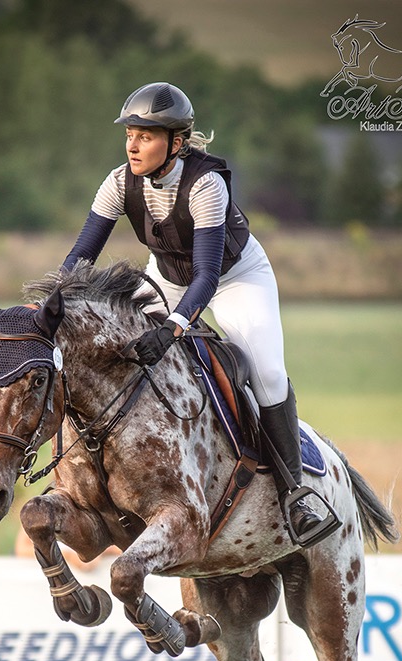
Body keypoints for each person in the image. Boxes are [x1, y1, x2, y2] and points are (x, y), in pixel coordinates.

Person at [61, 81, 338, 547]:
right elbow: (80, 257)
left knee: (267, 373)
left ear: (176, 142)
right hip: (167, 274)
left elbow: (207, 277)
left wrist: (172, 329)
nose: (133, 144)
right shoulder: (117, 182)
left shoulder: (205, 185)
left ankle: (297, 494)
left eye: (146, 136)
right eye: (130, 133)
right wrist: (45, 306)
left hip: (234, 276)